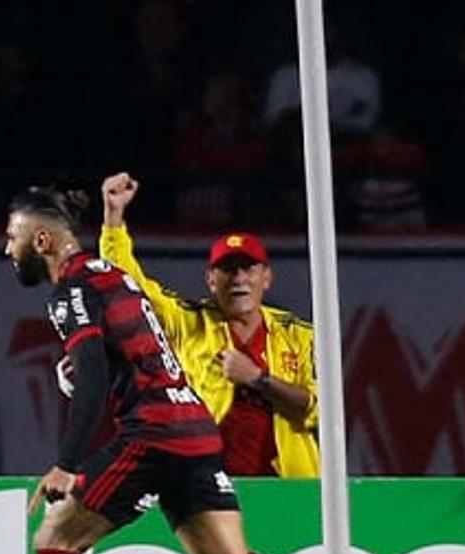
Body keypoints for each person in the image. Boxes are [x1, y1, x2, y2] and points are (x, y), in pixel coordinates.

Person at [0, 187, 399, 554]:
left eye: (12, 237)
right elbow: (113, 361)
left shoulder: (75, 287)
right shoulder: (116, 279)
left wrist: (67, 460)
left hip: (154, 431)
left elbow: (89, 369)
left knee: (56, 540)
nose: (7, 249)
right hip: (194, 429)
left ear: (42, 240)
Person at [98, 172, 318, 477]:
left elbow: (316, 409)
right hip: (207, 489)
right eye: (228, 270)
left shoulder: (299, 335)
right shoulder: (190, 323)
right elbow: (128, 285)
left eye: (248, 269)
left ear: (266, 278)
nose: (239, 279)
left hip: (287, 489)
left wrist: (257, 378)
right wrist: (113, 217)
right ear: (211, 280)